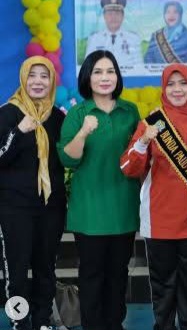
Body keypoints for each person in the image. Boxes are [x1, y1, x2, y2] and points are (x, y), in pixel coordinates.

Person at [120, 63, 187, 329]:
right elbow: (129, 168)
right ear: (163, 87)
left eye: (183, 83)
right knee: (162, 288)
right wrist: (143, 141)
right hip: (159, 220)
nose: (177, 89)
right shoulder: (151, 123)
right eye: (171, 84)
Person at [58, 50, 141, 330]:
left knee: (118, 275)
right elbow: (68, 159)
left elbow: (138, 155)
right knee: (92, 275)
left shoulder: (130, 111)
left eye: (110, 71)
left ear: (117, 76)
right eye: (98, 72)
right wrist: (83, 132)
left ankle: (115, 324)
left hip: (123, 208)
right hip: (89, 211)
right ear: (87, 77)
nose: (105, 77)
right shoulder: (77, 113)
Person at [0, 56, 66, 330]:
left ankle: (42, 321)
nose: (38, 81)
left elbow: (65, 159)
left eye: (44, 76)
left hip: (51, 207)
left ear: (52, 81)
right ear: (23, 78)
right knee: (16, 272)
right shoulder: (8, 113)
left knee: (45, 269)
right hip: (15, 208)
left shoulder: (58, 117)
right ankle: (20, 322)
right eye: (32, 75)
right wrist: (19, 131)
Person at [85, 0, 142, 67]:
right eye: (110, 14)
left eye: (117, 14)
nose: (113, 17)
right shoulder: (95, 39)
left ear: (123, 16)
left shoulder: (133, 38)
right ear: (104, 16)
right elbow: (88, 66)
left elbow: (139, 67)